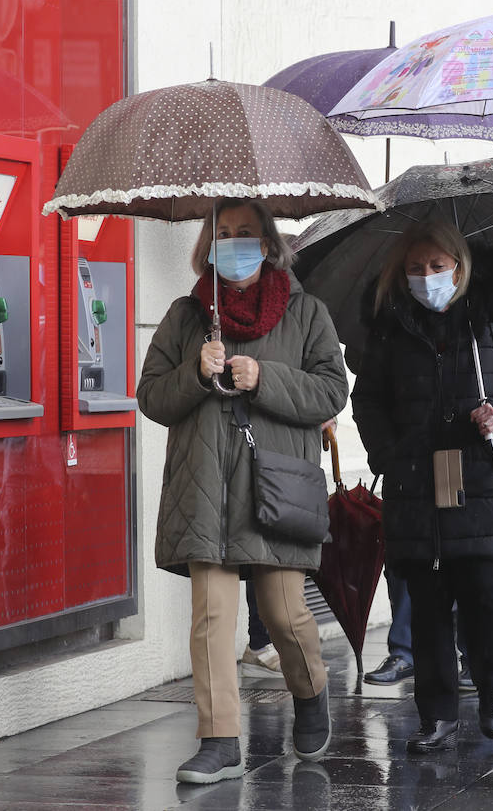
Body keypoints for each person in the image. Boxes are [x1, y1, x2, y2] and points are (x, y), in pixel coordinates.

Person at [137, 198, 348, 784]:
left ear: (267, 242)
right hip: (205, 487)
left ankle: (311, 691)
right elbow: (151, 396)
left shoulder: (305, 313)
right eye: (223, 232)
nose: (234, 243)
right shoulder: (186, 317)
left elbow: (332, 390)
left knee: (284, 613)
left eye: (245, 233)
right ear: (209, 244)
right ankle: (220, 739)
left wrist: (265, 377)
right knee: (211, 616)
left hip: (273, 484)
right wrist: (195, 373)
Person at [352, 221, 493, 753]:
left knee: (484, 596)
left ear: (459, 268)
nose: (427, 277)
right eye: (416, 268)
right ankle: (435, 714)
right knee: (429, 601)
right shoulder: (391, 324)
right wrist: (389, 454)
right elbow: (367, 399)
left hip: (485, 479)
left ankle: (491, 694)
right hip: (418, 482)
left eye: (437, 266)